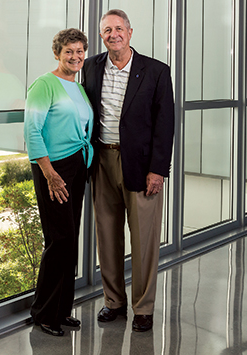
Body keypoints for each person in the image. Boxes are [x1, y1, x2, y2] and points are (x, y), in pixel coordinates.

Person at [81, 9, 175, 332]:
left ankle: (144, 307)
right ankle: (114, 302)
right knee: (107, 235)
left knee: (144, 239)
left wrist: (158, 170)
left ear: (130, 32)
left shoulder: (156, 72)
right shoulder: (91, 67)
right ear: (102, 35)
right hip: (102, 163)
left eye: (119, 28)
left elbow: (165, 126)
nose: (113, 35)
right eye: (107, 30)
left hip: (141, 166)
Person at [24, 28, 93, 337]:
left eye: (80, 51)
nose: (75, 56)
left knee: (71, 238)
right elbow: (32, 132)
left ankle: (62, 310)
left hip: (78, 165)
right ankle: (44, 314)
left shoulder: (78, 88)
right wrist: (51, 175)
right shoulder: (44, 85)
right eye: (69, 51)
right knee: (58, 239)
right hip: (53, 168)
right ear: (57, 53)